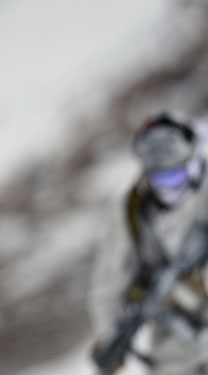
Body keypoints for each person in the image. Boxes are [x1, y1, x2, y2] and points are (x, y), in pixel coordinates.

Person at [89, 112, 208, 375]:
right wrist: (109, 337)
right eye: (160, 178)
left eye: (176, 176)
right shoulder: (131, 209)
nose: (168, 188)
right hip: (175, 352)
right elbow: (108, 282)